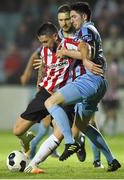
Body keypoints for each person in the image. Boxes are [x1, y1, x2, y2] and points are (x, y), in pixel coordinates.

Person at [21, 4, 102, 167]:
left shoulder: (81, 33)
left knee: (89, 123)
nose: (64, 23)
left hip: (83, 81)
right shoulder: (54, 36)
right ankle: (75, 142)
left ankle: (97, 160)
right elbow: (41, 56)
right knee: (60, 127)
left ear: (73, 19)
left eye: (67, 18)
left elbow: (90, 53)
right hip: (64, 87)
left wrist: (83, 58)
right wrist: (35, 76)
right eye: (61, 19)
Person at [44, 2, 121, 172]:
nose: (71, 21)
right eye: (69, 17)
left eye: (74, 17)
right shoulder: (88, 31)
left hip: (90, 80)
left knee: (50, 103)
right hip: (100, 83)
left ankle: (70, 142)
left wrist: (67, 53)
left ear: (84, 16)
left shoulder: (86, 29)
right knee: (84, 125)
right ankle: (111, 160)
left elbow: (89, 53)